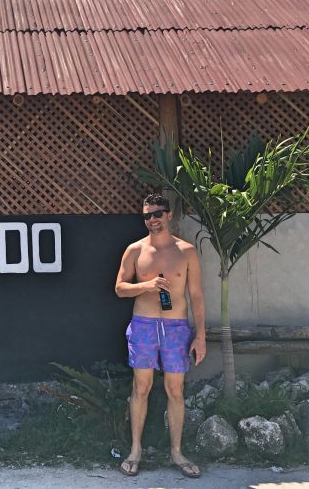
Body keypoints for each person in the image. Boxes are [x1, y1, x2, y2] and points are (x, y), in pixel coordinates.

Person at [114, 193, 206, 478]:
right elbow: (119, 288)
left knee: (175, 390)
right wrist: (147, 285)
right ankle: (135, 450)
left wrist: (200, 335)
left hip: (176, 328)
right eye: (147, 215)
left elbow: (196, 296)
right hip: (144, 325)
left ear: (168, 215)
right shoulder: (135, 250)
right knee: (141, 388)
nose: (152, 220)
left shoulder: (187, 251)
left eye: (157, 214)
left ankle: (176, 452)